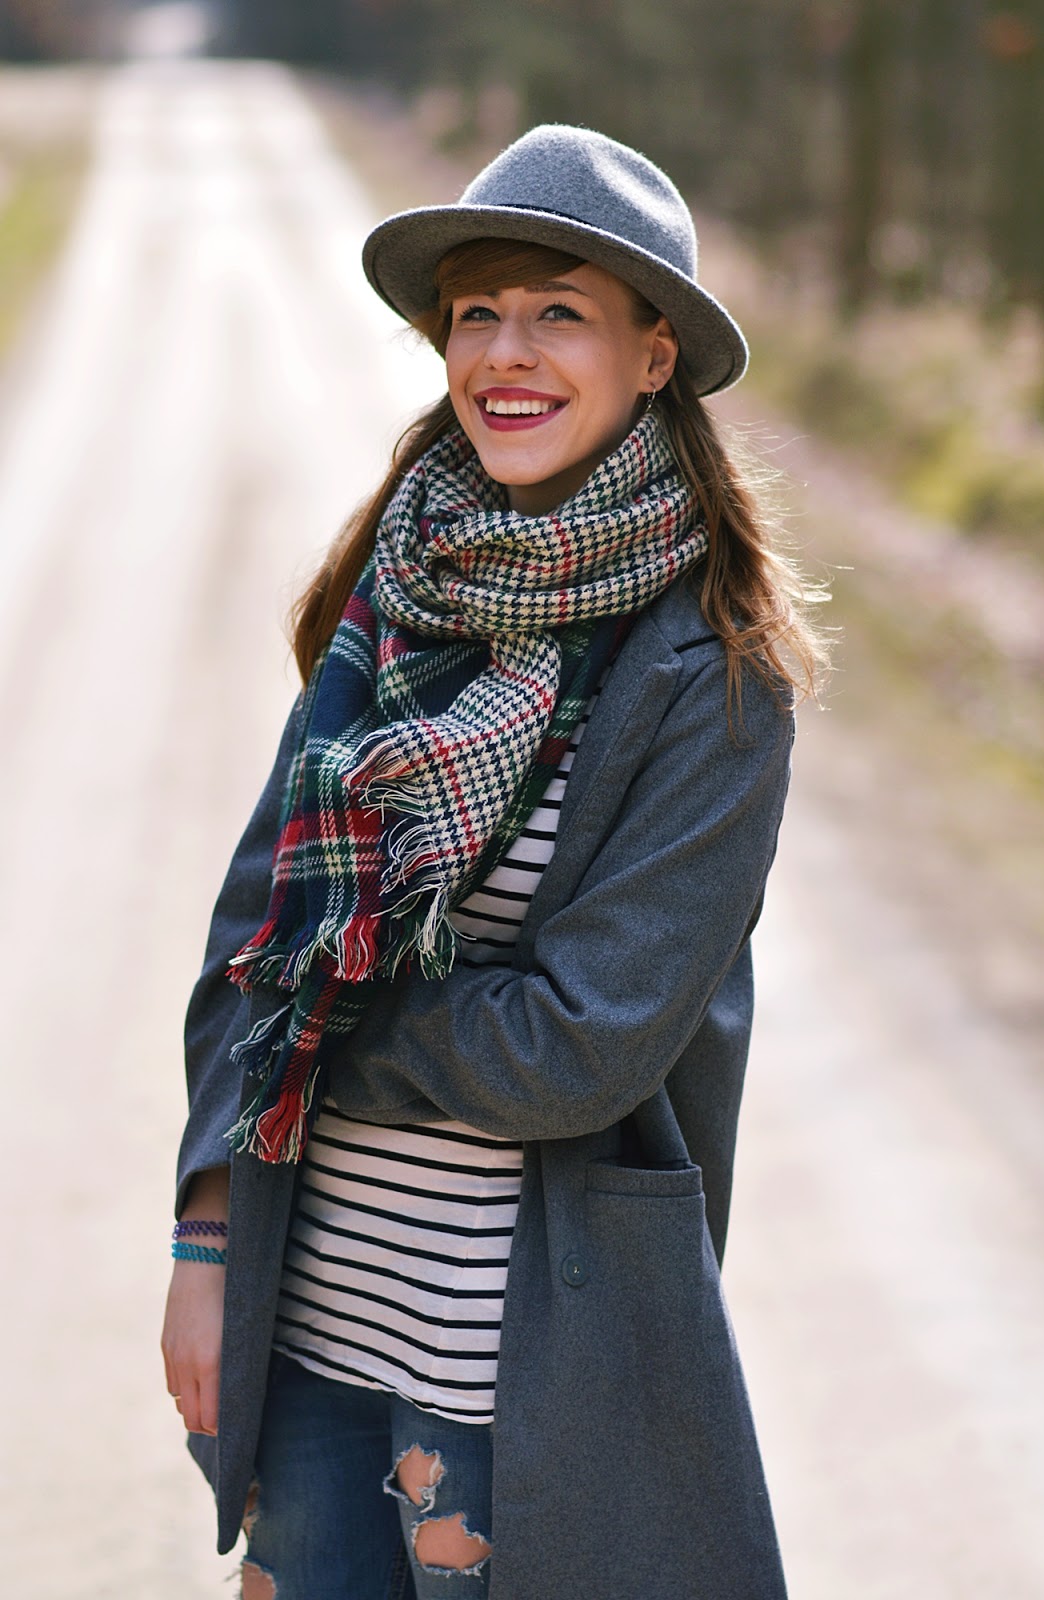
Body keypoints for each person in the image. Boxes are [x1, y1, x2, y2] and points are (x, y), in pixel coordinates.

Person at [161, 123, 826, 1599]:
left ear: (654, 357)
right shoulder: (395, 598)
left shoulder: (714, 681)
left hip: (518, 1375)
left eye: (559, 313)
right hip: (310, 1326)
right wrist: (206, 1242)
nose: (506, 354)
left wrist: (332, 1014)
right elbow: (249, 942)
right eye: (479, 313)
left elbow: (575, 1051)